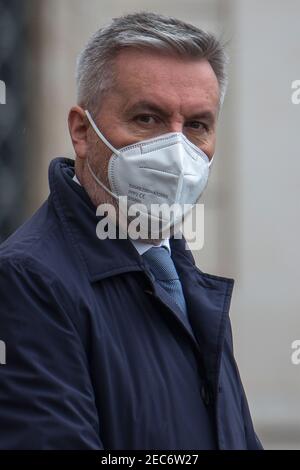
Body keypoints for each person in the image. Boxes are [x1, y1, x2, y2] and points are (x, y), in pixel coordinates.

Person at [0, 11, 263, 450]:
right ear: (82, 131)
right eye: (147, 118)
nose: (176, 151)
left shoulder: (179, 272)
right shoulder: (28, 281)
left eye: (197, 125)